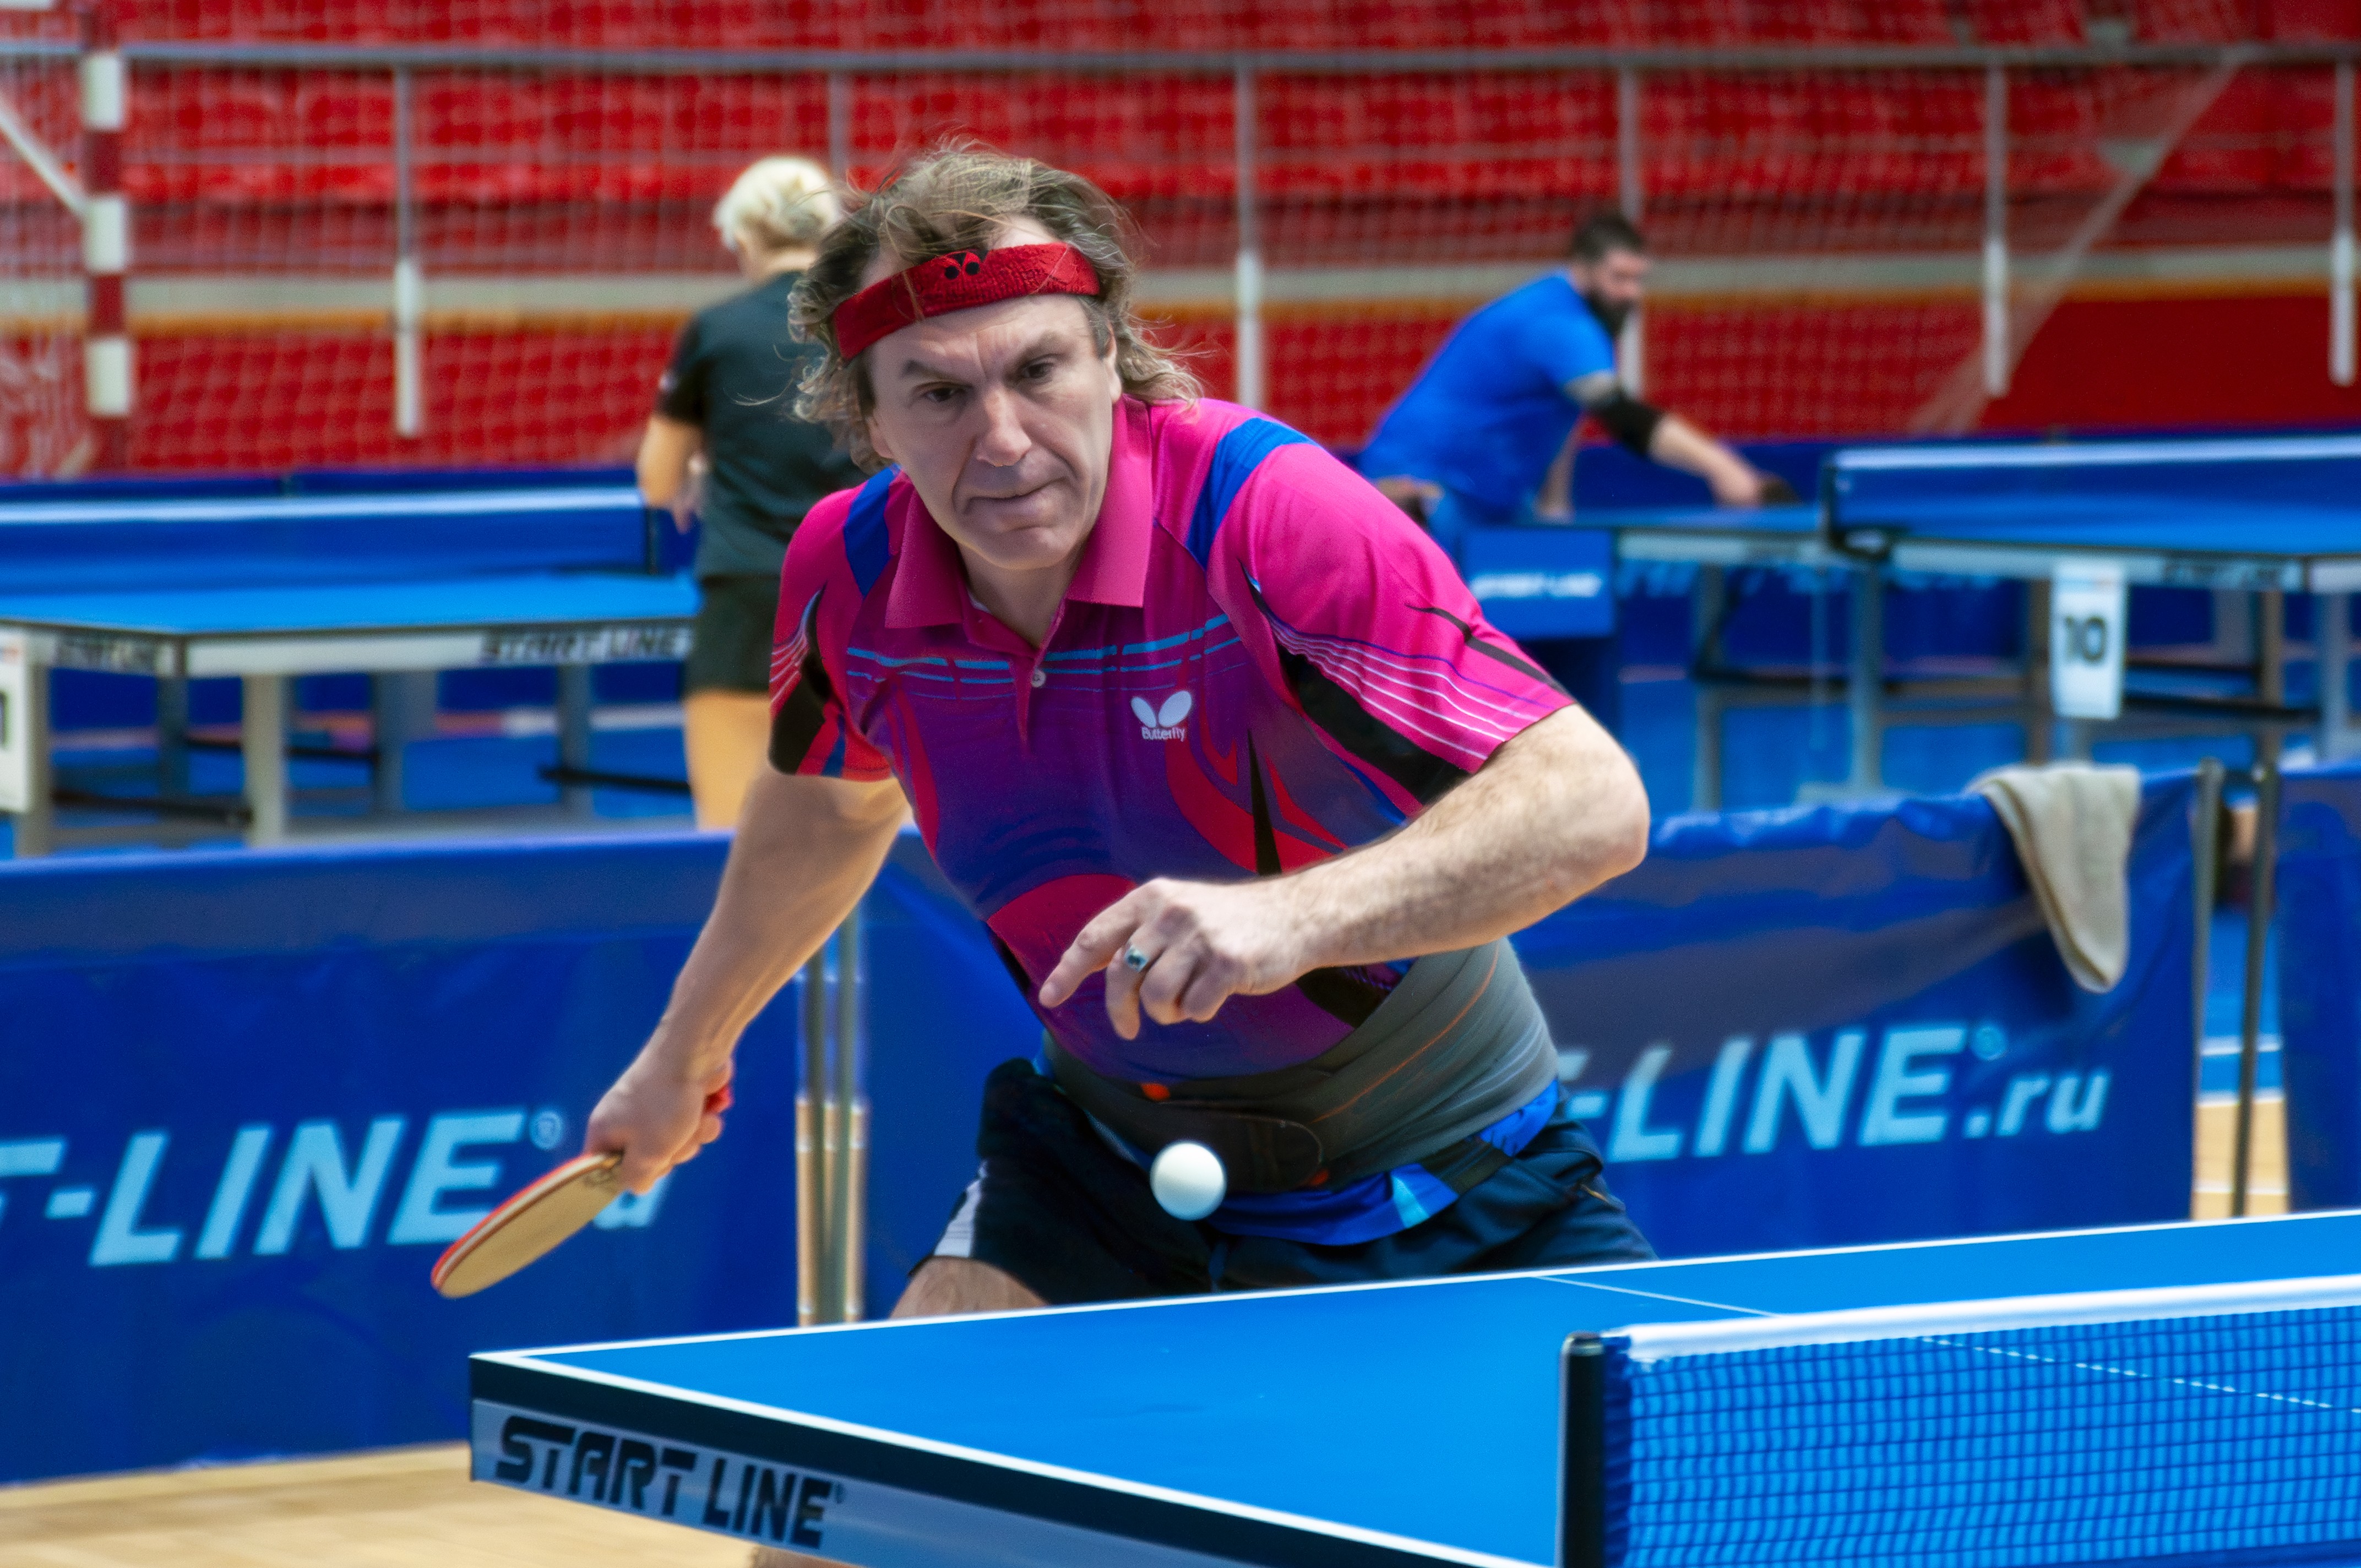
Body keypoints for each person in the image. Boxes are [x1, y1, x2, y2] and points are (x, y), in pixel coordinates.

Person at [585, 147, 1654, 1461]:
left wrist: (1292, 918)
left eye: (1037, 369)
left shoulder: (1263, 512)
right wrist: (682, 1051)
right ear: (868, 417)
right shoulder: (846, 572)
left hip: (1443, 1169)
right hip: (1100, 1162)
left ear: (1111, 355)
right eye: (937, 391)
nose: (1001, 439)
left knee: (1651, 1517)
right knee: (850, 1512)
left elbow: (1590, 801)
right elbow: (823, 809)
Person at [638, 155, 864, 828]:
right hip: (862, 594)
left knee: (729, 836)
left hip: (748, 599)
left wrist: (700, 470)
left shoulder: (715, 328)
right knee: (873, 835)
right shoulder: (868, 326)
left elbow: (656, 481)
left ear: (741, 239)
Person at [1358, 210, 1794, 548]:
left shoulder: (1575, 318)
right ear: (1582, 269)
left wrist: (1555, 504)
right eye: (1619, 278)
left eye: (1638, 279)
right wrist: (1728, 471)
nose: (1632, 293)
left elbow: (1562, 413)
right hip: (1421, 483)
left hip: (1484, 494)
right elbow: (1622, 417)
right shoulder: (1562, 324)